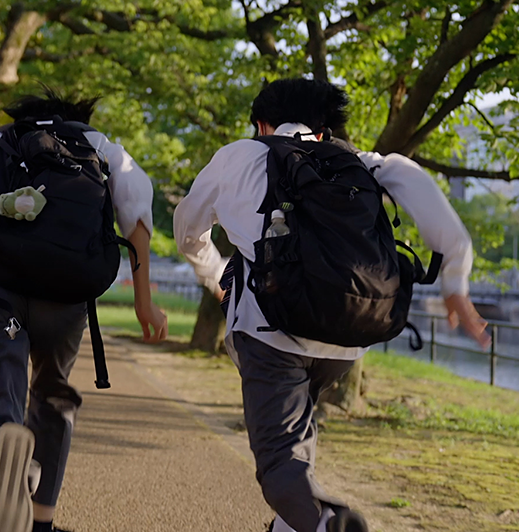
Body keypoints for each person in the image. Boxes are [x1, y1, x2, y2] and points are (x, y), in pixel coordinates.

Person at [173, 78, 491, 532]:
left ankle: (328, 523)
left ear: (262, 124)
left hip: (270, 334)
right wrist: (455, 281)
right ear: (323, 129)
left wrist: (214, 275)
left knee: (279, 464)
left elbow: (187, 228)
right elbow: (416, 184)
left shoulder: (239, 155)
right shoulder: (360, 163)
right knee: (300, 439)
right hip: (348, 336)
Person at [0, 91, 168, 532]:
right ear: (77, 120)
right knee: (52, 390)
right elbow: (137, 221)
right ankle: (41, 519)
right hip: (65, 296)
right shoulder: (103, 148)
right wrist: (143, 303)